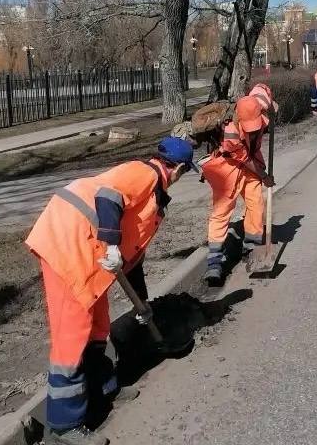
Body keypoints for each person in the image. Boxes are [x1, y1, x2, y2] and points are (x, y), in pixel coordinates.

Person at [25, 137, 198, 445]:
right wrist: (112, 244)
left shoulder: (155, 197)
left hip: (90, 253)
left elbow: (135, 259)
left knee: (99, 325)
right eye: (185, 173)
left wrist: (141, 304)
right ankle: (64, 427)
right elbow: (107, 198)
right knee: (71, 338)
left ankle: (101, 390)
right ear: (180, 169)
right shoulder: (145, 173)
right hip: (67, 246)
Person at [201, 91, 275, 285]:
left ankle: (252, 246)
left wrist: (272, 109)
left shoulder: (261, 113)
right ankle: (214, 261)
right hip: (228, 168)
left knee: (256, 204)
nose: (253, 129)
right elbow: (244, 158)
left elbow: (263, 92)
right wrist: (264, 176)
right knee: (221, 211)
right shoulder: (230, 131)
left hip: (249, 166)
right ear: (239, 118)